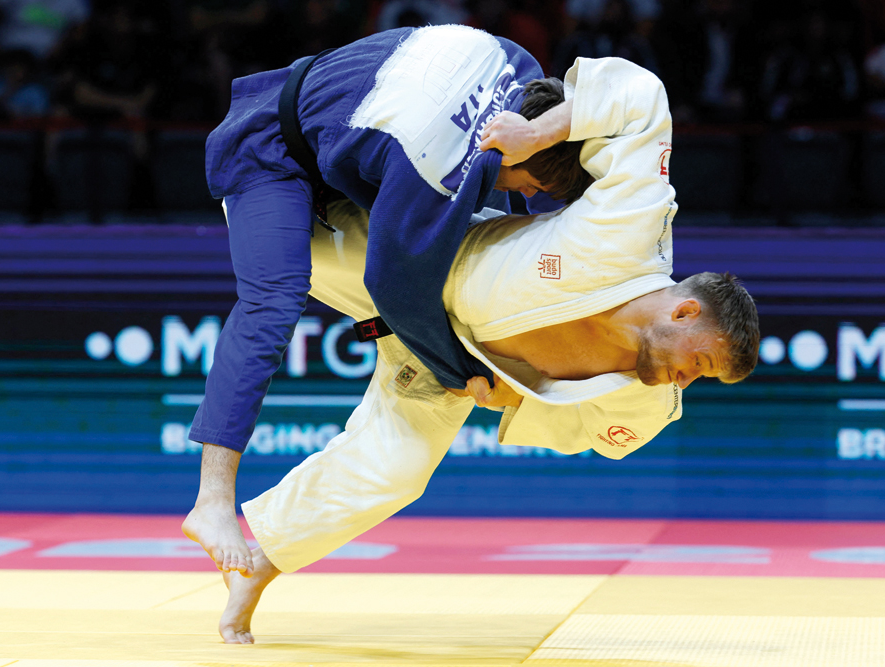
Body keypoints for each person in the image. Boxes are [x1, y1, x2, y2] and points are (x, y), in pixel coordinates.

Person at [211, 56, 760, 644]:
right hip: (417, 260)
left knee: (396, 471)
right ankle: (266, 128)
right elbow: (641, 99)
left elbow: (589, 433)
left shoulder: (648, 402)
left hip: (452, 364)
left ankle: (259, 565)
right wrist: (538, 134)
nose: (686, 380)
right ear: (684, 311)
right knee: (272, 234)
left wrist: (513, 401)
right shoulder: (634, 227)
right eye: (699, 363)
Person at [182, 25, 590, 580]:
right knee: (272, 301)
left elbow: (592, 121)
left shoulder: (522, 70)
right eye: (535, 183)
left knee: (482, 235)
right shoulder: (436, 160)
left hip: (343, 126)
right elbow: (394, 287)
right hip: (271, 149)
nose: (532, 194)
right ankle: (211, 500)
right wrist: (462, 373)